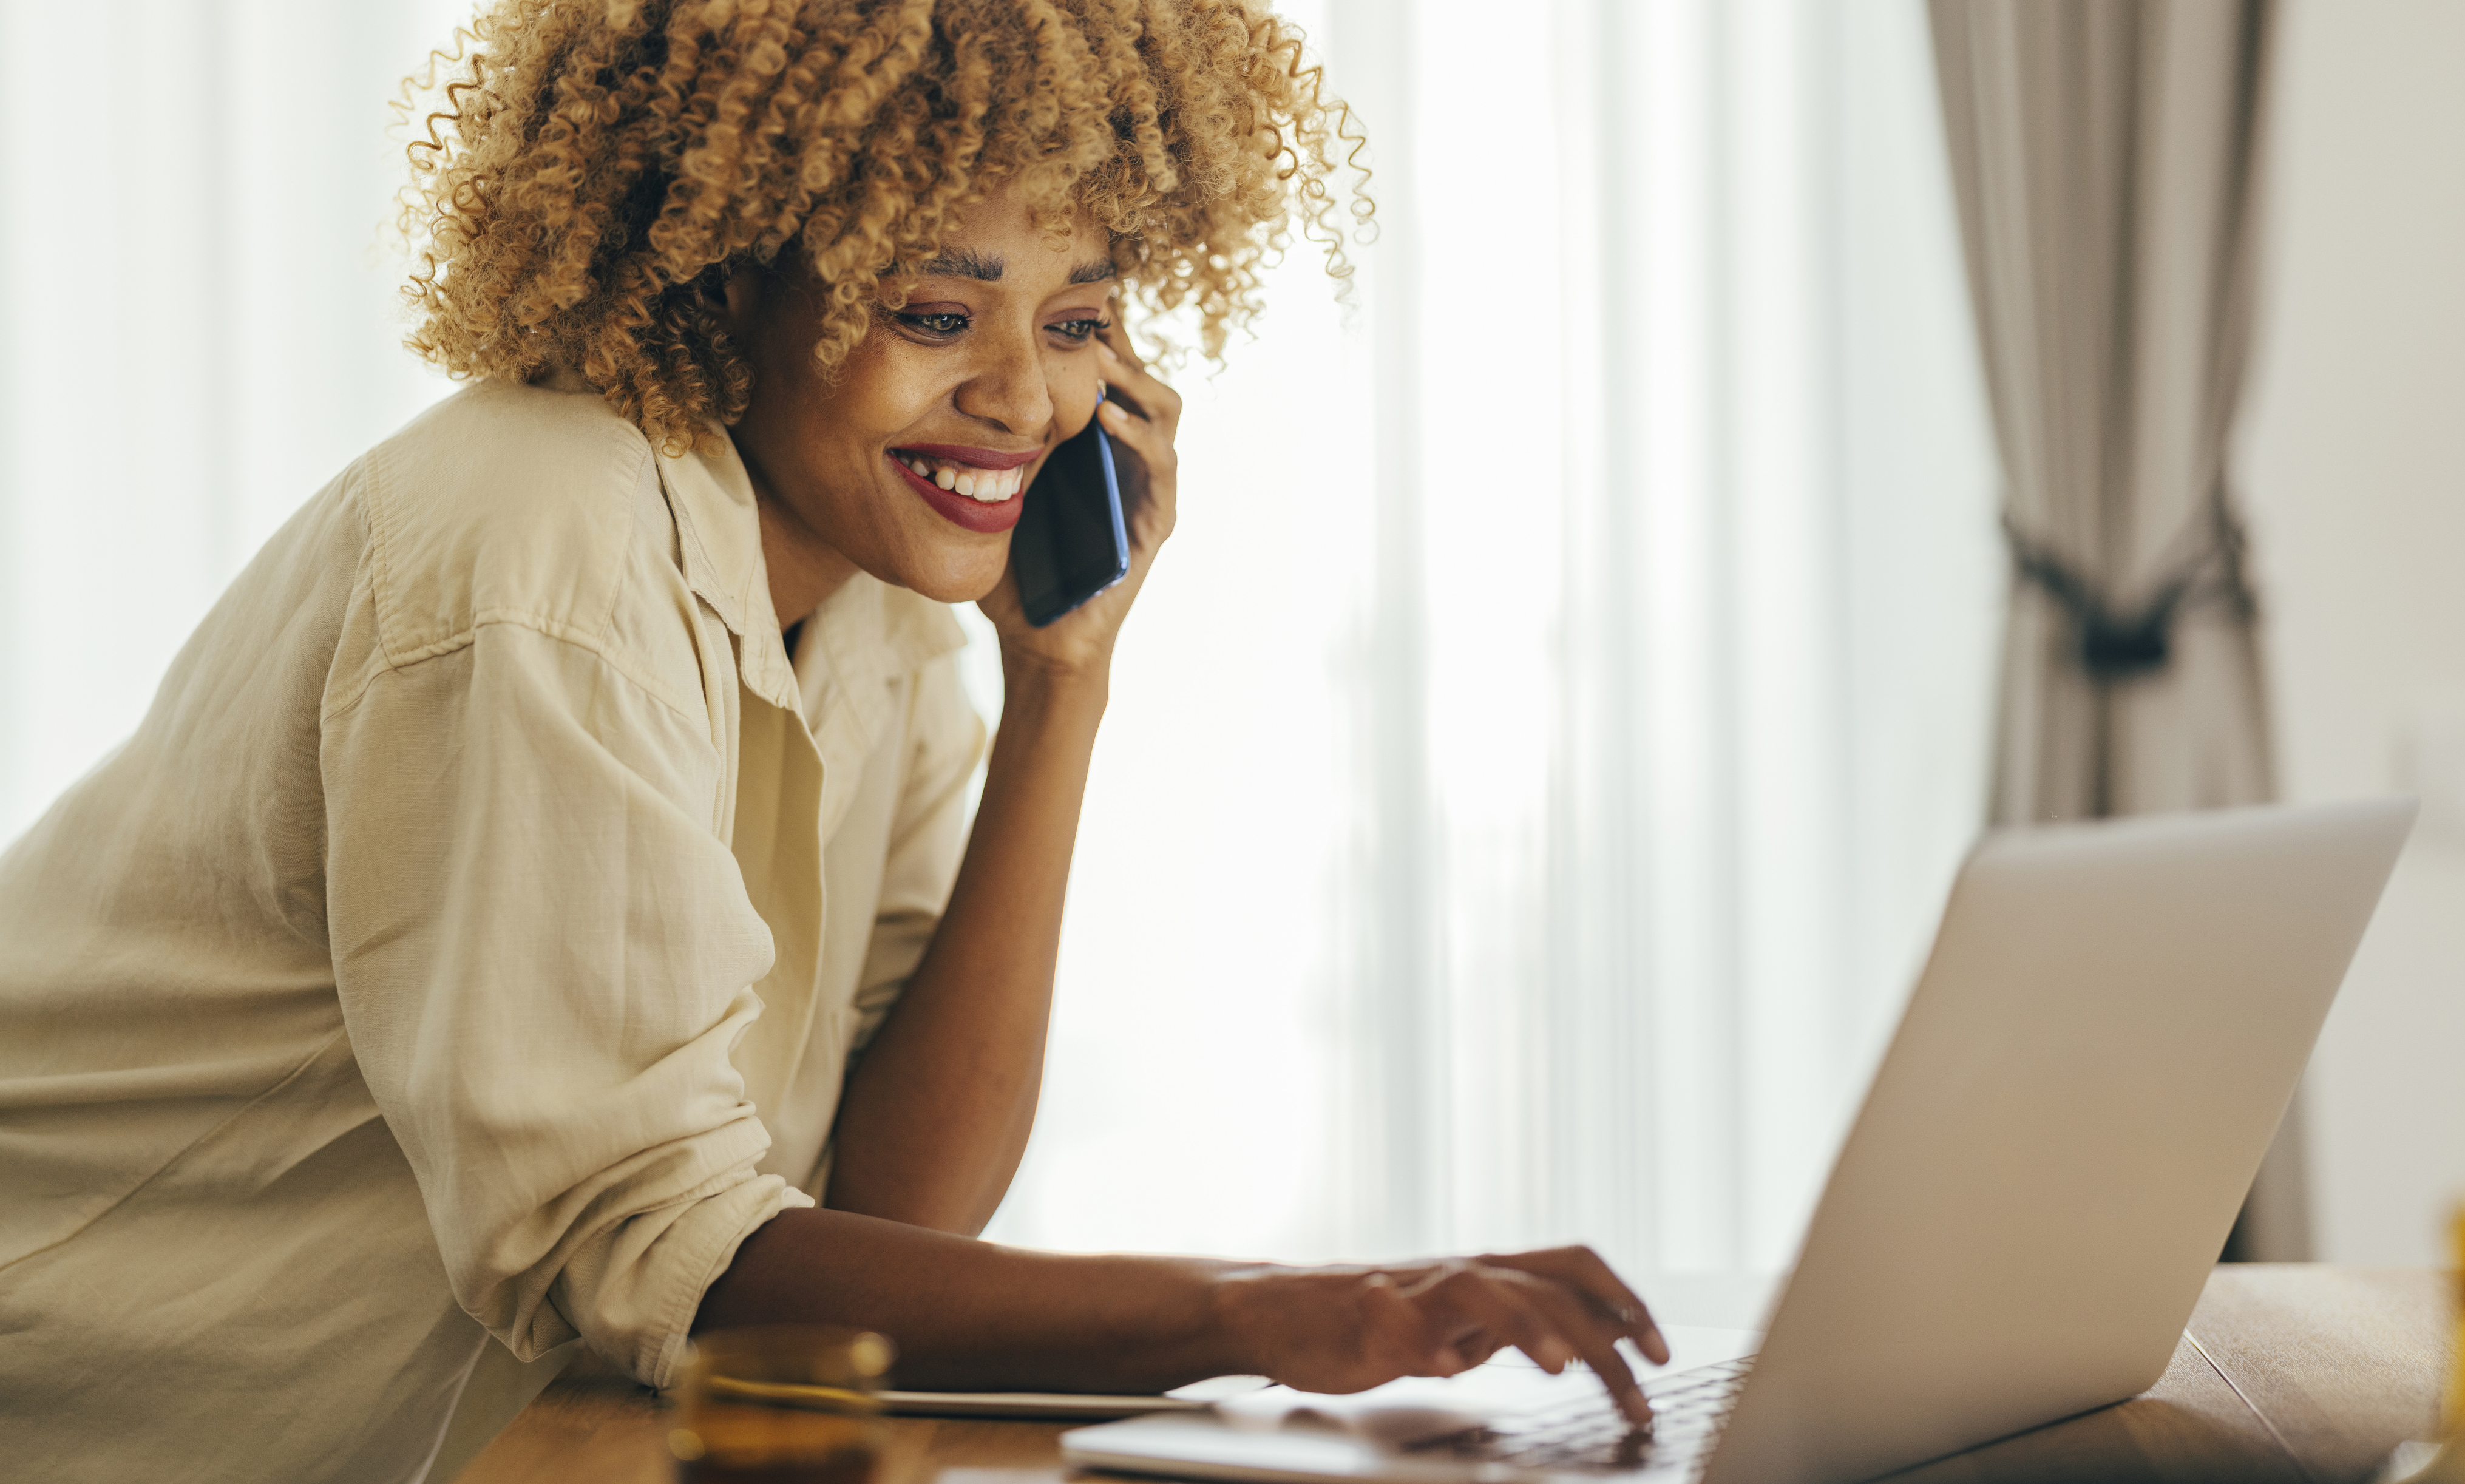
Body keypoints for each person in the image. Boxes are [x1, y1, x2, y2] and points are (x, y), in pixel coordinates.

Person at [0, 4, 1668, 1480]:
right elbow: (652, 1249)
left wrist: (1058, 685)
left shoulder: (869, 607)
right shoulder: (542, 542)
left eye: (1078, 321)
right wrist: (1278, 1310)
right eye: (939, 313)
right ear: (724, 278)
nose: (1025, 403)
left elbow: (893, 1208)